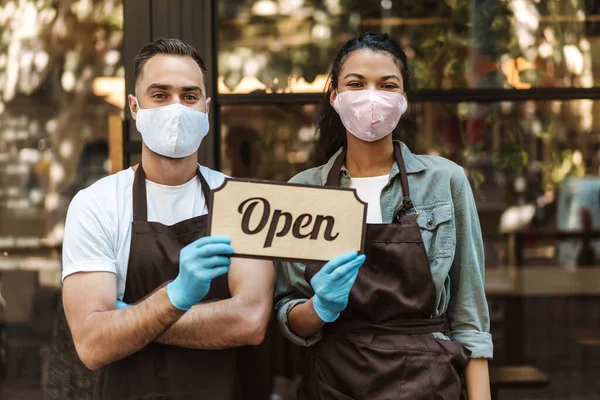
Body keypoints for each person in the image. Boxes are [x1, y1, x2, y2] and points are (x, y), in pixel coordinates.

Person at [275, 32, 492, 399]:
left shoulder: (446, 182)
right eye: (356, 84)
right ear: (335, 97)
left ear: (403, 99)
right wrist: (320, 306)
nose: (371, 96)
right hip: (334, 381)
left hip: (429, 383)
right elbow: (287, 314)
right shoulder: (302, 190)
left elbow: (469, 317)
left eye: (387, 85)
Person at [62, 38, 274, 399]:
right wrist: (177, 296)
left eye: (189, 96)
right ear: (134, 106)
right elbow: (93, 344)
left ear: (206, 108)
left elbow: (249, 321)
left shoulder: (244, 202)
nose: (176, 108)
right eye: (159, 95)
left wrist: (137, 316)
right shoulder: (97, 204)